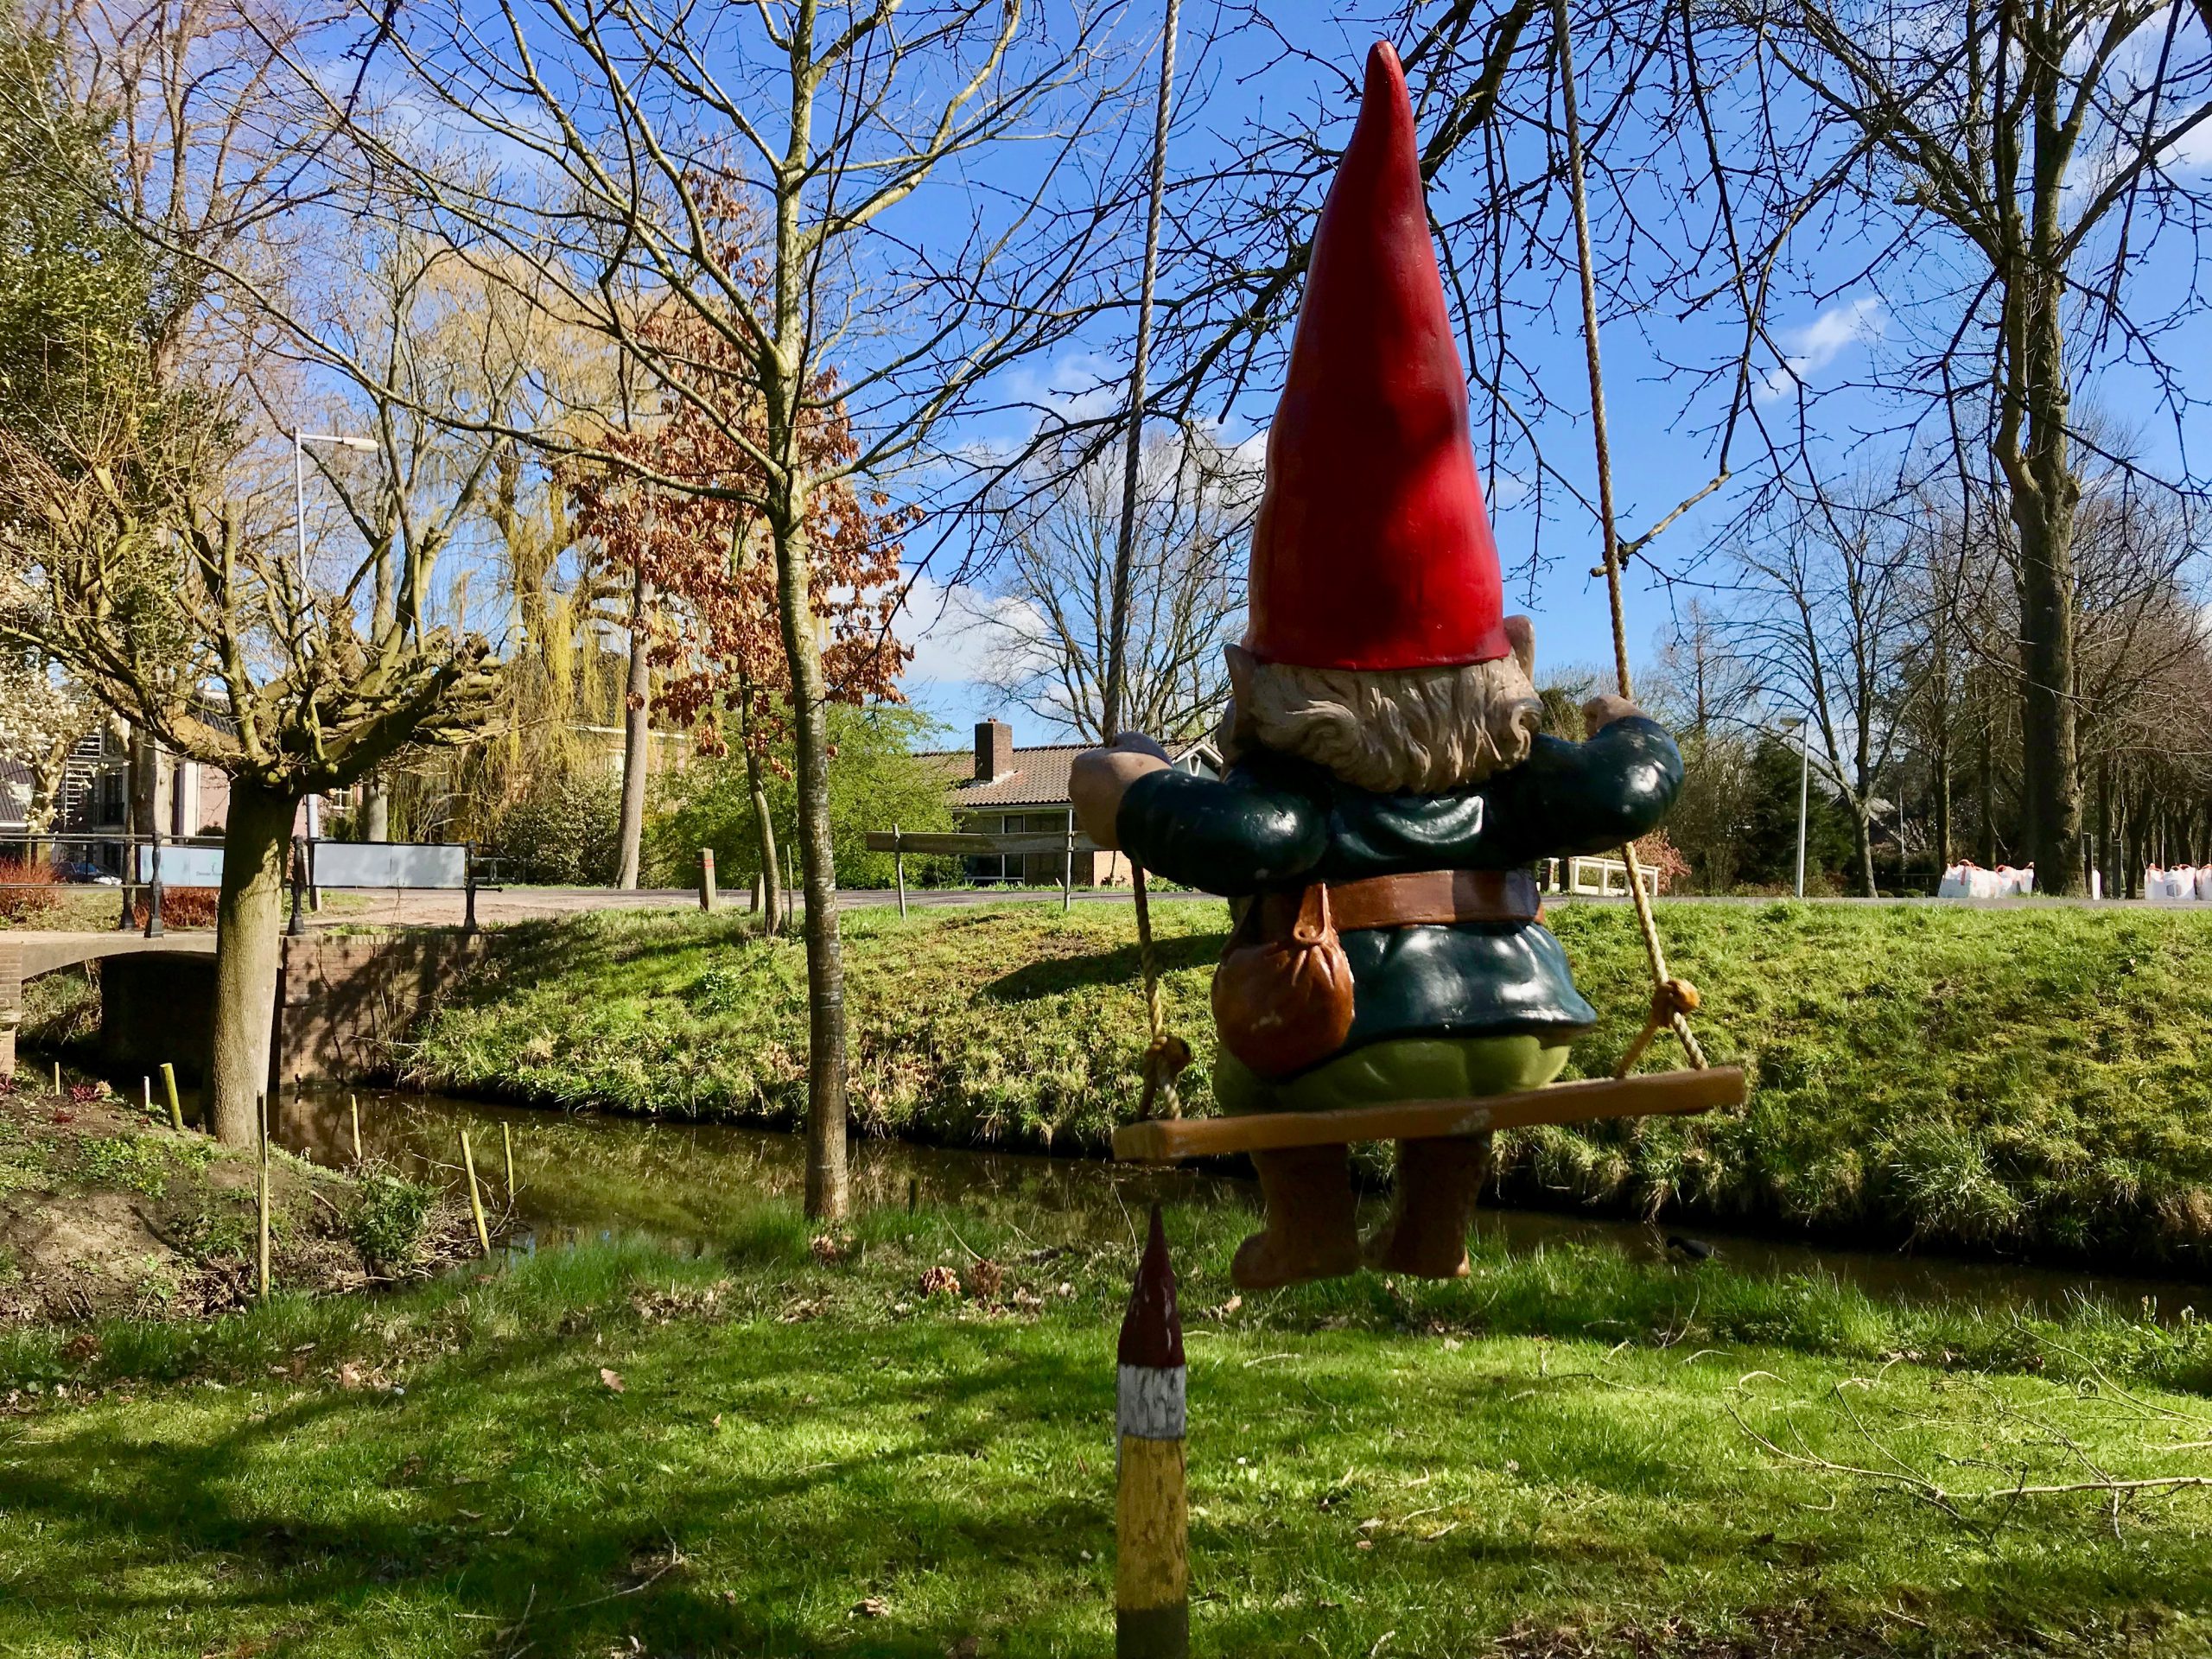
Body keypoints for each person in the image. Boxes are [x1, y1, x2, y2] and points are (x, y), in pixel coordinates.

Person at [1071, 41, 1681, 1291]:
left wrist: (1117, 783)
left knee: (1259, 1053)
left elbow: (1221, 833)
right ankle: (1432, 1226)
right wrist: (1627, 719)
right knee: (1457, 1085)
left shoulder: (1306, 801)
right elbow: (1634, 787)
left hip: (1339, 1039)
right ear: (1489, 667)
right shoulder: (1519, 778)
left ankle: (1308, 1234)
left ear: (1289, 677)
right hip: (1525, 1029)